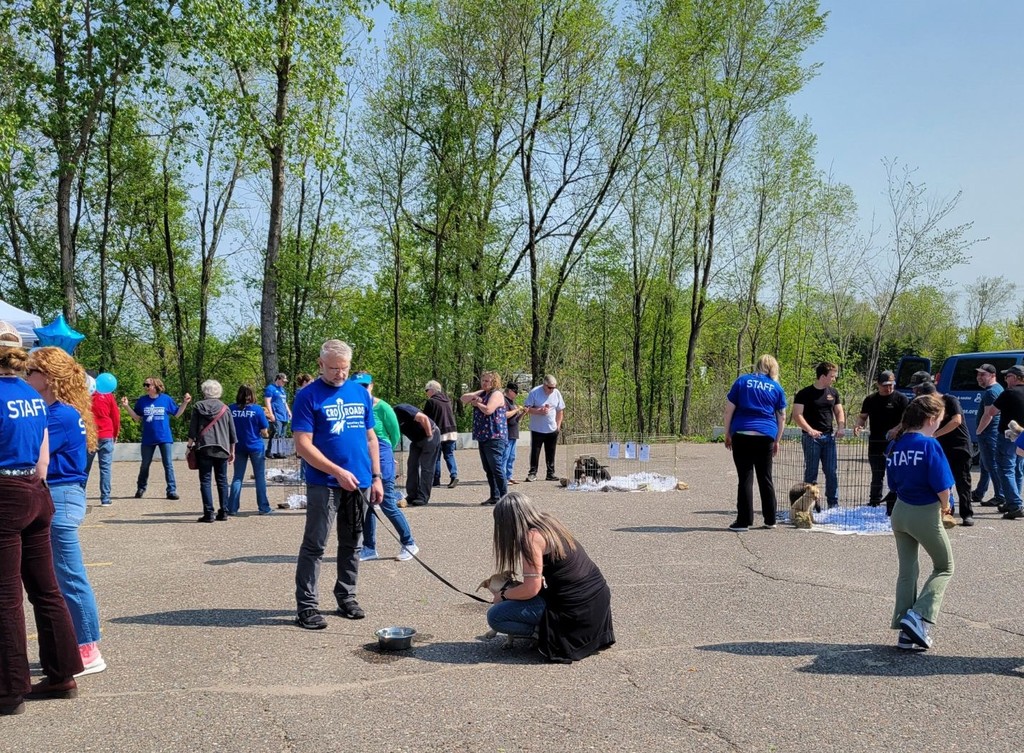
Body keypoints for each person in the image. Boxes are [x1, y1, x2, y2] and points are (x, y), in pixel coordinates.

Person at [0, 337, 84, 715]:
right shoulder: (31, 395)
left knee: (5, 597)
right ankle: (62, 672)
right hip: (36, 489)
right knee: (46, 588)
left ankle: (9, 689)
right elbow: (43, 454)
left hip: (5, 490)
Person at [24, 348, 107, 677]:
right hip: (65, 495)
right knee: (64, 576)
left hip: (60, 495)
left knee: (69, 576)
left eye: (30, 371)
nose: (25, 377)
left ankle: (87, 648)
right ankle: (81, 645)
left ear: (46, 377)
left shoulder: (58, 415)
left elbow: (30, 452)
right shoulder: (67, 411)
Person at [292, 340, 383, 629]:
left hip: (360, 482)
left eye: (344, 368)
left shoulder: (360, 393)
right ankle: (306, 606)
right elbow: (303, 445)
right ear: (320, 364)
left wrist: (378, 477)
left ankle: (346, 596)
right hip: (325, 483)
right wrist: (336, 471)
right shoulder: (307, 396)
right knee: (315, 545)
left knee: (352, 543)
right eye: (333, 368)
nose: (340, 374)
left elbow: (371, 438)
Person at [486, 492, 615, 663]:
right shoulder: (548, 522)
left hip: (573, 609)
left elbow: (531, 589)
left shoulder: (530, 539)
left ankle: (543, 633)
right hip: (597, 600)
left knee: (495, 616)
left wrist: (502, 595)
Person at [886, 393, 955, 651]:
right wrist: (946, 507)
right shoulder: (930, 444)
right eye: (939, 419)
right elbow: (943, 485)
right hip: (924, 512)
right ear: (930, 418)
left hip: (900, 511)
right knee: (945, 566)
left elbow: (892, 483)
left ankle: (904, 631)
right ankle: (919, 615)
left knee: (908, 570)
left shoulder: (896, 444)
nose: (939, 424)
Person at [350, 372, 418, 562]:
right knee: (367, 505)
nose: (362, 389)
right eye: (357, 386)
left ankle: (409, 542)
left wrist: (386, 455)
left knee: (386, 503)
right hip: (362, 458)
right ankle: (369, 547)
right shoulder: (352, 406)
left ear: (371, 386)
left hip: (381, 453)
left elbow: (394, 433)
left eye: (365, 386)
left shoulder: (382, 407)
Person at [722, 354, 787, 532]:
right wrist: (777, 440)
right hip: (766, 433)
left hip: (742, 432)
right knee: (765, 477)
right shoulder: (776, 387)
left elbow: (729, 411)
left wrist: (727, 433)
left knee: (745, 477)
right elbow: (782, 417)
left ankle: (743, 521)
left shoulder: (742, 381)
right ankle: (770, 519)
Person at [910, 374, 974, 525]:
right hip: (940, 448)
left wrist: (935, 434)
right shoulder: (929, 407)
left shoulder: (950, 400)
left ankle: (966, 513)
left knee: (962, 481)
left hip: (959, 447)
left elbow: (956, 420)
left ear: (932, 394)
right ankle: (946, 513)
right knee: (942, 482)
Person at [121, 377, 191, 500]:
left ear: (156, 386)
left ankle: (171, 490)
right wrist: (126, 407)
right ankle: (141, 488)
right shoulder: (142, 400)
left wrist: (185, 402)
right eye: (145, 385)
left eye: (148, 384)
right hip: (148, 438)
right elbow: (137, 418)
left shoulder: (166, 399)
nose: (146, 387)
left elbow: (177, 414)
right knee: (145, 464)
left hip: (164, 437)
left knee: (168, 464)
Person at [853, 370, 909, 511]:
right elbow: (863, 416)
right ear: (878, 384)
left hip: (896, 443)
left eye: (891, 385)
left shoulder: (901, 399)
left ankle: (897, 501)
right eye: (885, 385)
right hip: (876, 443)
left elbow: (907, 420)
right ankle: (874, 501)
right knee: (877, 473)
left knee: (897, 473)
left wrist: (897, 429)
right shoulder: (870, 399)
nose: (889, 388)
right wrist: (858, 425)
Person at [792, 362, 845, 509]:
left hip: (829, 438)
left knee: (831, 471)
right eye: (832, 376)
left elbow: (839, 411)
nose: (834, 379)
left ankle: (833, 504)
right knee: (811, 472)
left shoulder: (833, 393)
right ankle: (810, 504)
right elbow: (797, 415)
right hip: (811, 438)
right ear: (823, 376)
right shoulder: (804, 393)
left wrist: (840, 427)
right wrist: (810, 430)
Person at [977, 365, 1024, 519]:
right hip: (1022, 436)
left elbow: (991, 412)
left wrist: (979, 430)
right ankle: (1012, 501)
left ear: (1016, 377)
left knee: (1005, 468)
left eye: (1008, 376)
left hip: (1009, 435)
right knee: (1017, 468)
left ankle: (1015, 504)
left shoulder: (1009, 393)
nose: (1005, 380)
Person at [187, 380, 236, 523]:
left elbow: (193, 429)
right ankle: (224, 511)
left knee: (205, 481)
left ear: (205, 392)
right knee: (222, 480)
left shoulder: (198, 406)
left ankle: (208, 513)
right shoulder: (225, 408)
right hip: (222, 448)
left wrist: (189, 447)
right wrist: (232, 451)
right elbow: (232, 432)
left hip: (204, 447)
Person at [462, 371, 508, 506]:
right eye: (483, 380)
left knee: (496, 467)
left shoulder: (497, 394)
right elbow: (463, 398)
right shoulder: (483, 393)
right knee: (488, 468)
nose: (484, 383)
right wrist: (479, 392)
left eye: (487, 381)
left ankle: (504, 497)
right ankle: (494, 496)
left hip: (495, 436)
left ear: (494, 382)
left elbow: (488, 410)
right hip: (483, 436)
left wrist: (478, 404)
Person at [227, 385, 271, 516]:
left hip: (238, 446)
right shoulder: (257, 410)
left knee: (237, 477)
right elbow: (264, 432)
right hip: (255, 446)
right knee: (259, 477)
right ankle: (263, 507)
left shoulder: (231, 409)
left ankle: (232, 508)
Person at [391, 401, 440, 507]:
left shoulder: (401, 409)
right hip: (416, 440)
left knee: (426, 467)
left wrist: (429, 435)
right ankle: (412, 495)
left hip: (430, 434)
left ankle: (423, 497)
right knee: (412, 465)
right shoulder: (389, 421)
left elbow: (423, 418)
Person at [971, 364, 1004, 508]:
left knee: (991, 465)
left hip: (989, 434)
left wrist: (978, 431)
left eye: (983, 375)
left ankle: (1000, 496)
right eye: (978, 374)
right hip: (991, 434)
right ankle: (979, 492)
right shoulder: (998, 389)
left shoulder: (991, 392)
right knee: (985, 465)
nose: (979, 377)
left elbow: (988, 415)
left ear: (992, 375)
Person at [523, 375, 565, 482]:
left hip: (552, 428)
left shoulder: (556, 393)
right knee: (535, 452)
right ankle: (532, 473)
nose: (552, 390)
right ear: (544, 385)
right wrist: (538, 411)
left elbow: (560, 410)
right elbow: (526, 408)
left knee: (551, 452)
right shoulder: (535, 392)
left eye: (554, 387)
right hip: (537, 429)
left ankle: (550, 473)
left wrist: (558, 426)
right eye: (550, 387)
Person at [85, 382, 120, 507]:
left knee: (85, 468)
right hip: (106, 434)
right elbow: (115, 416)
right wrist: (115, 434)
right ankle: (105, 498)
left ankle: (80, 494)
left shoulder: (85, 396)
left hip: (90, 435)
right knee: (105, 468)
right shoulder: (108, 395)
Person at [424, 380, 459, 488]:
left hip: (439, 432)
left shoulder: (431, 402)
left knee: (436, 457)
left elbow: (426, 418)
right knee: (449, 454)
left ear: (432, 390)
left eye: (427, 390)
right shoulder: (447, 400)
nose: (426, 392)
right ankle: (454, 475)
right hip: (452, 430)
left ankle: (436, 480)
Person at [264, 372, 291, 458]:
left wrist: (289, 411)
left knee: (282, 434)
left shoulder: (282, 390)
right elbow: (267, 401)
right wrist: (270, 413)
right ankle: (270, 451)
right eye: (283, 381)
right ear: (278, 379)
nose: (284, 383)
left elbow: (284, 402)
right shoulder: (270, 388)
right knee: (276, 433)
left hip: (284, 415)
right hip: (276, 414)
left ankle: (280, 452)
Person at [502, 382, 523, 484]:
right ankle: (503, 477)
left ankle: (509, 476)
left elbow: (516, 419)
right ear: (510, 391)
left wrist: (523, 412)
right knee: (505, 456)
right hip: (507, 432)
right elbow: (505, 415)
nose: (516, 394)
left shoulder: (512, 402)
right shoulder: (504, 401)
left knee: (512, 456)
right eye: (515, 392)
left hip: (514, 432)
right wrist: (517, 410)